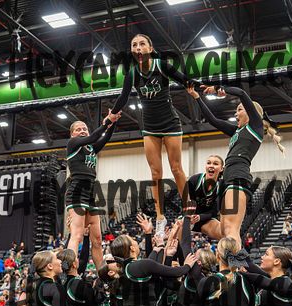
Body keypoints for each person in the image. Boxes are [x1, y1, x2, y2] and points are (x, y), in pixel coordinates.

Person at [109, 34, 196, 235]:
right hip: (149, 127)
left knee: (176, 168)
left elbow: (185, 80)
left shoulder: (162, 66)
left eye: (142, 44)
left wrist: (205, 87)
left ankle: (188, 208)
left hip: (170, 123)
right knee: (156, 174)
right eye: (134, 45)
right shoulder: (132, 74)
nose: (138, 47)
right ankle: (160, 218)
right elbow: (123, 97)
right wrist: (112, 115)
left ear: (150, 48)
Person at [187, 84, 284, 246]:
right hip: (227, 180)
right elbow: (213, 120)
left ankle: (237, 261)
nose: (235, 113)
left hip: (238, 177)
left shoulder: (255, 126)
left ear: (250, 112)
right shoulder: (237, 131)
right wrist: (197, 97)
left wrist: (217, 88)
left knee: (231, 230)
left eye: (239, 109)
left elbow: (241, 93)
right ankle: (234, 258)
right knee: (224, 231)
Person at [65, 111, 121, 270]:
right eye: (78, 129)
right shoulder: (73, 144)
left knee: (97, 239)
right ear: (72, 134)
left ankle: (102, 274)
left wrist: (113, 122)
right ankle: (70, 270)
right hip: (76, 192)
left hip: (90, 193)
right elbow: (94, 137)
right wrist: (106, 122)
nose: (82, 131)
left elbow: (105, 138)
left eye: (84, 128)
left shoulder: (91, 148)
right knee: (77, 235)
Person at [185, 155, 224, 240]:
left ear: (221, 169)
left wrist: (200, 217)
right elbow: (186, 201)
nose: (211, 166)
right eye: (209, 163)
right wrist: (190, 216)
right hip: (190, 217)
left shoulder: (222, 186)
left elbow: (214, 211)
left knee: (224, 233)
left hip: (207, 220)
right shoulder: (194, 180)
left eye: (215, 164)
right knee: (177, 229)